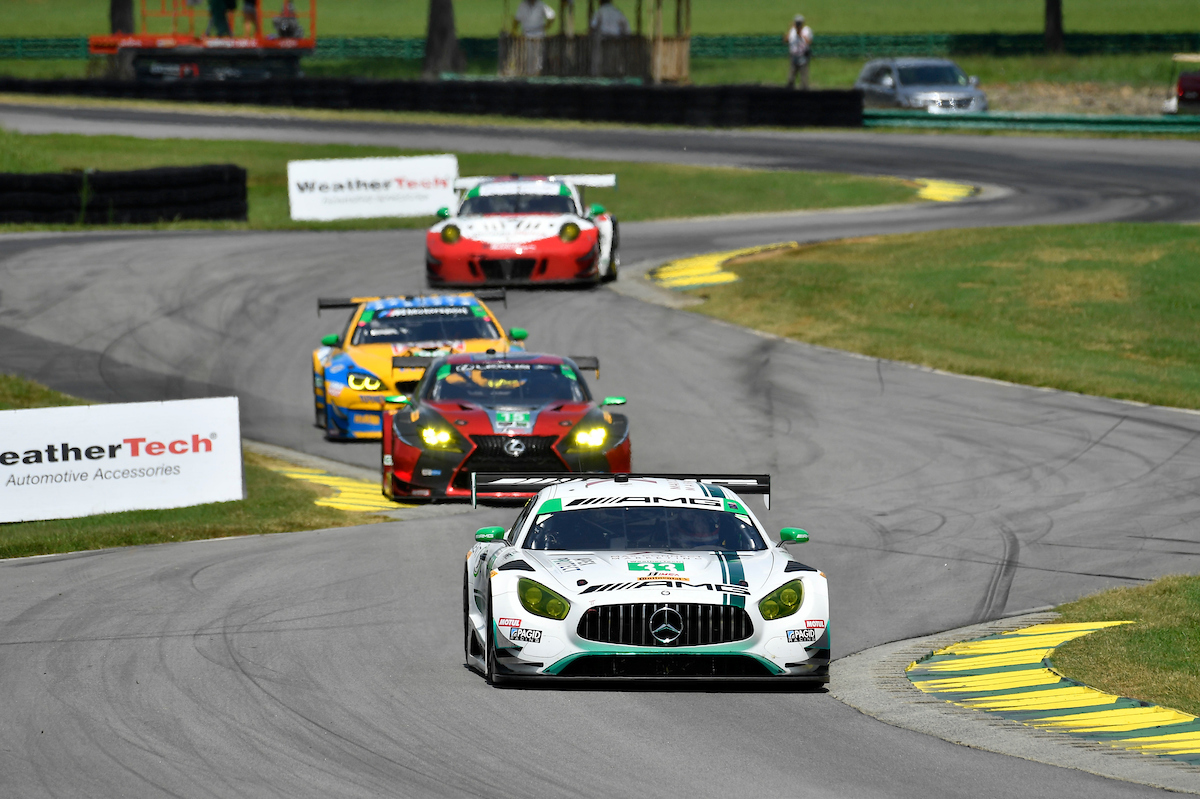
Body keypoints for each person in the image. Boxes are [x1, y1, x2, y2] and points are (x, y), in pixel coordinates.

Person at [785, 14, 813, 90]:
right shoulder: (792, 31)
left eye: (799, 23)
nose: (798, 25)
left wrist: (800, 33)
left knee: (804, 80)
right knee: (791, 78)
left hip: (803, 57)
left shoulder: (807, 30)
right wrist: (790, 29)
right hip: (794, 56)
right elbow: (786, 40)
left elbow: (809, 42)